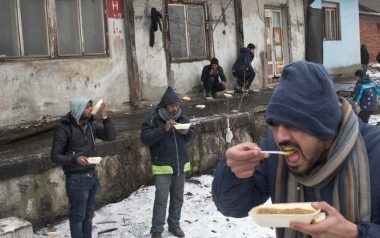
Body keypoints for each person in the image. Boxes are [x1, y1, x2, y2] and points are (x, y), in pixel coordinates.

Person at [212, 61, 380, 238]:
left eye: (293, 124)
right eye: (275, 124)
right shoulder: (272, 148)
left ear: (323, 127)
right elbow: (233, 207)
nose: (280, 137)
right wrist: (234, 172)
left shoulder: (375, 151)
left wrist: (355, 234)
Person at [51, 97, 116, 238]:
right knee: (77, 217)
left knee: (88, 215)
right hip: (76, 179)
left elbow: (111, 136)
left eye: (91, 106)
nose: (90, 109)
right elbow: (55, 156)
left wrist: (105, 116)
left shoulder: (91, 124)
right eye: (87, 107)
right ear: (78, 109)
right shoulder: (64, 128)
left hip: (91, 175)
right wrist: (75, 158)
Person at [141, 87, 196, 238]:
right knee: (161, 199)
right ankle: (157, 230)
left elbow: (192, 136)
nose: (174, 108)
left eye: (176, 105)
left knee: (178, 198)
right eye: (171, 105)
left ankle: (174, 224)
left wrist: (187, 133)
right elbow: (145, 138)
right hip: (162, 166)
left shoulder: (182, 117)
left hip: (180, 165)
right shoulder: (153, 118)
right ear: (164, 105)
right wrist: (163, 129)